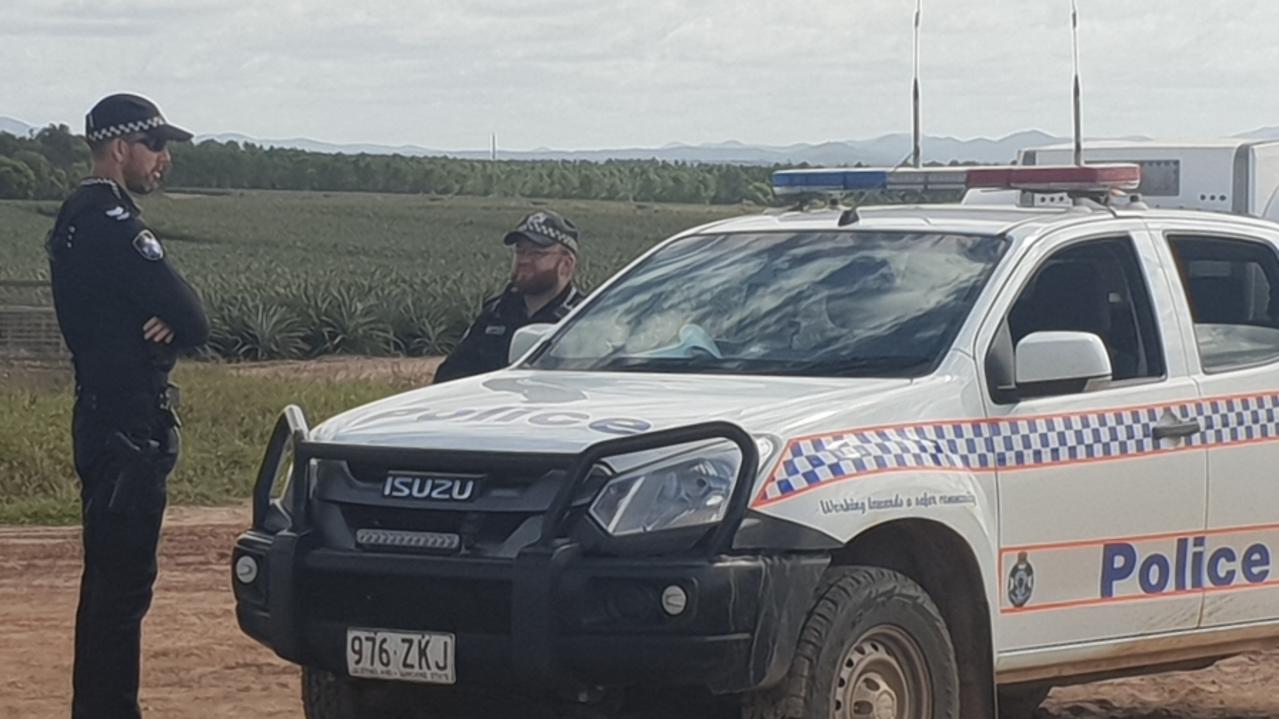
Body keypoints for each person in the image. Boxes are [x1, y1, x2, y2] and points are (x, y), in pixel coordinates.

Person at [46, 93, 208, 719]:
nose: (164, 159)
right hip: (130, 427)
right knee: (122, 589)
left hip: (95, 414)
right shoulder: (116, 224)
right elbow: (193, 318)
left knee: (104, 583)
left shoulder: (72, 216)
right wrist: (168, 320)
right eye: (156, 145)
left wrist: (162, 318)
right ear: (120, 148)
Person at [434, 210, 584, 383]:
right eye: (520, 251)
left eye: (537, 253)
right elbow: (450, 376)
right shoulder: (496, 313)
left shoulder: (581, 320)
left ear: (566, 264)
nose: (524, 260)